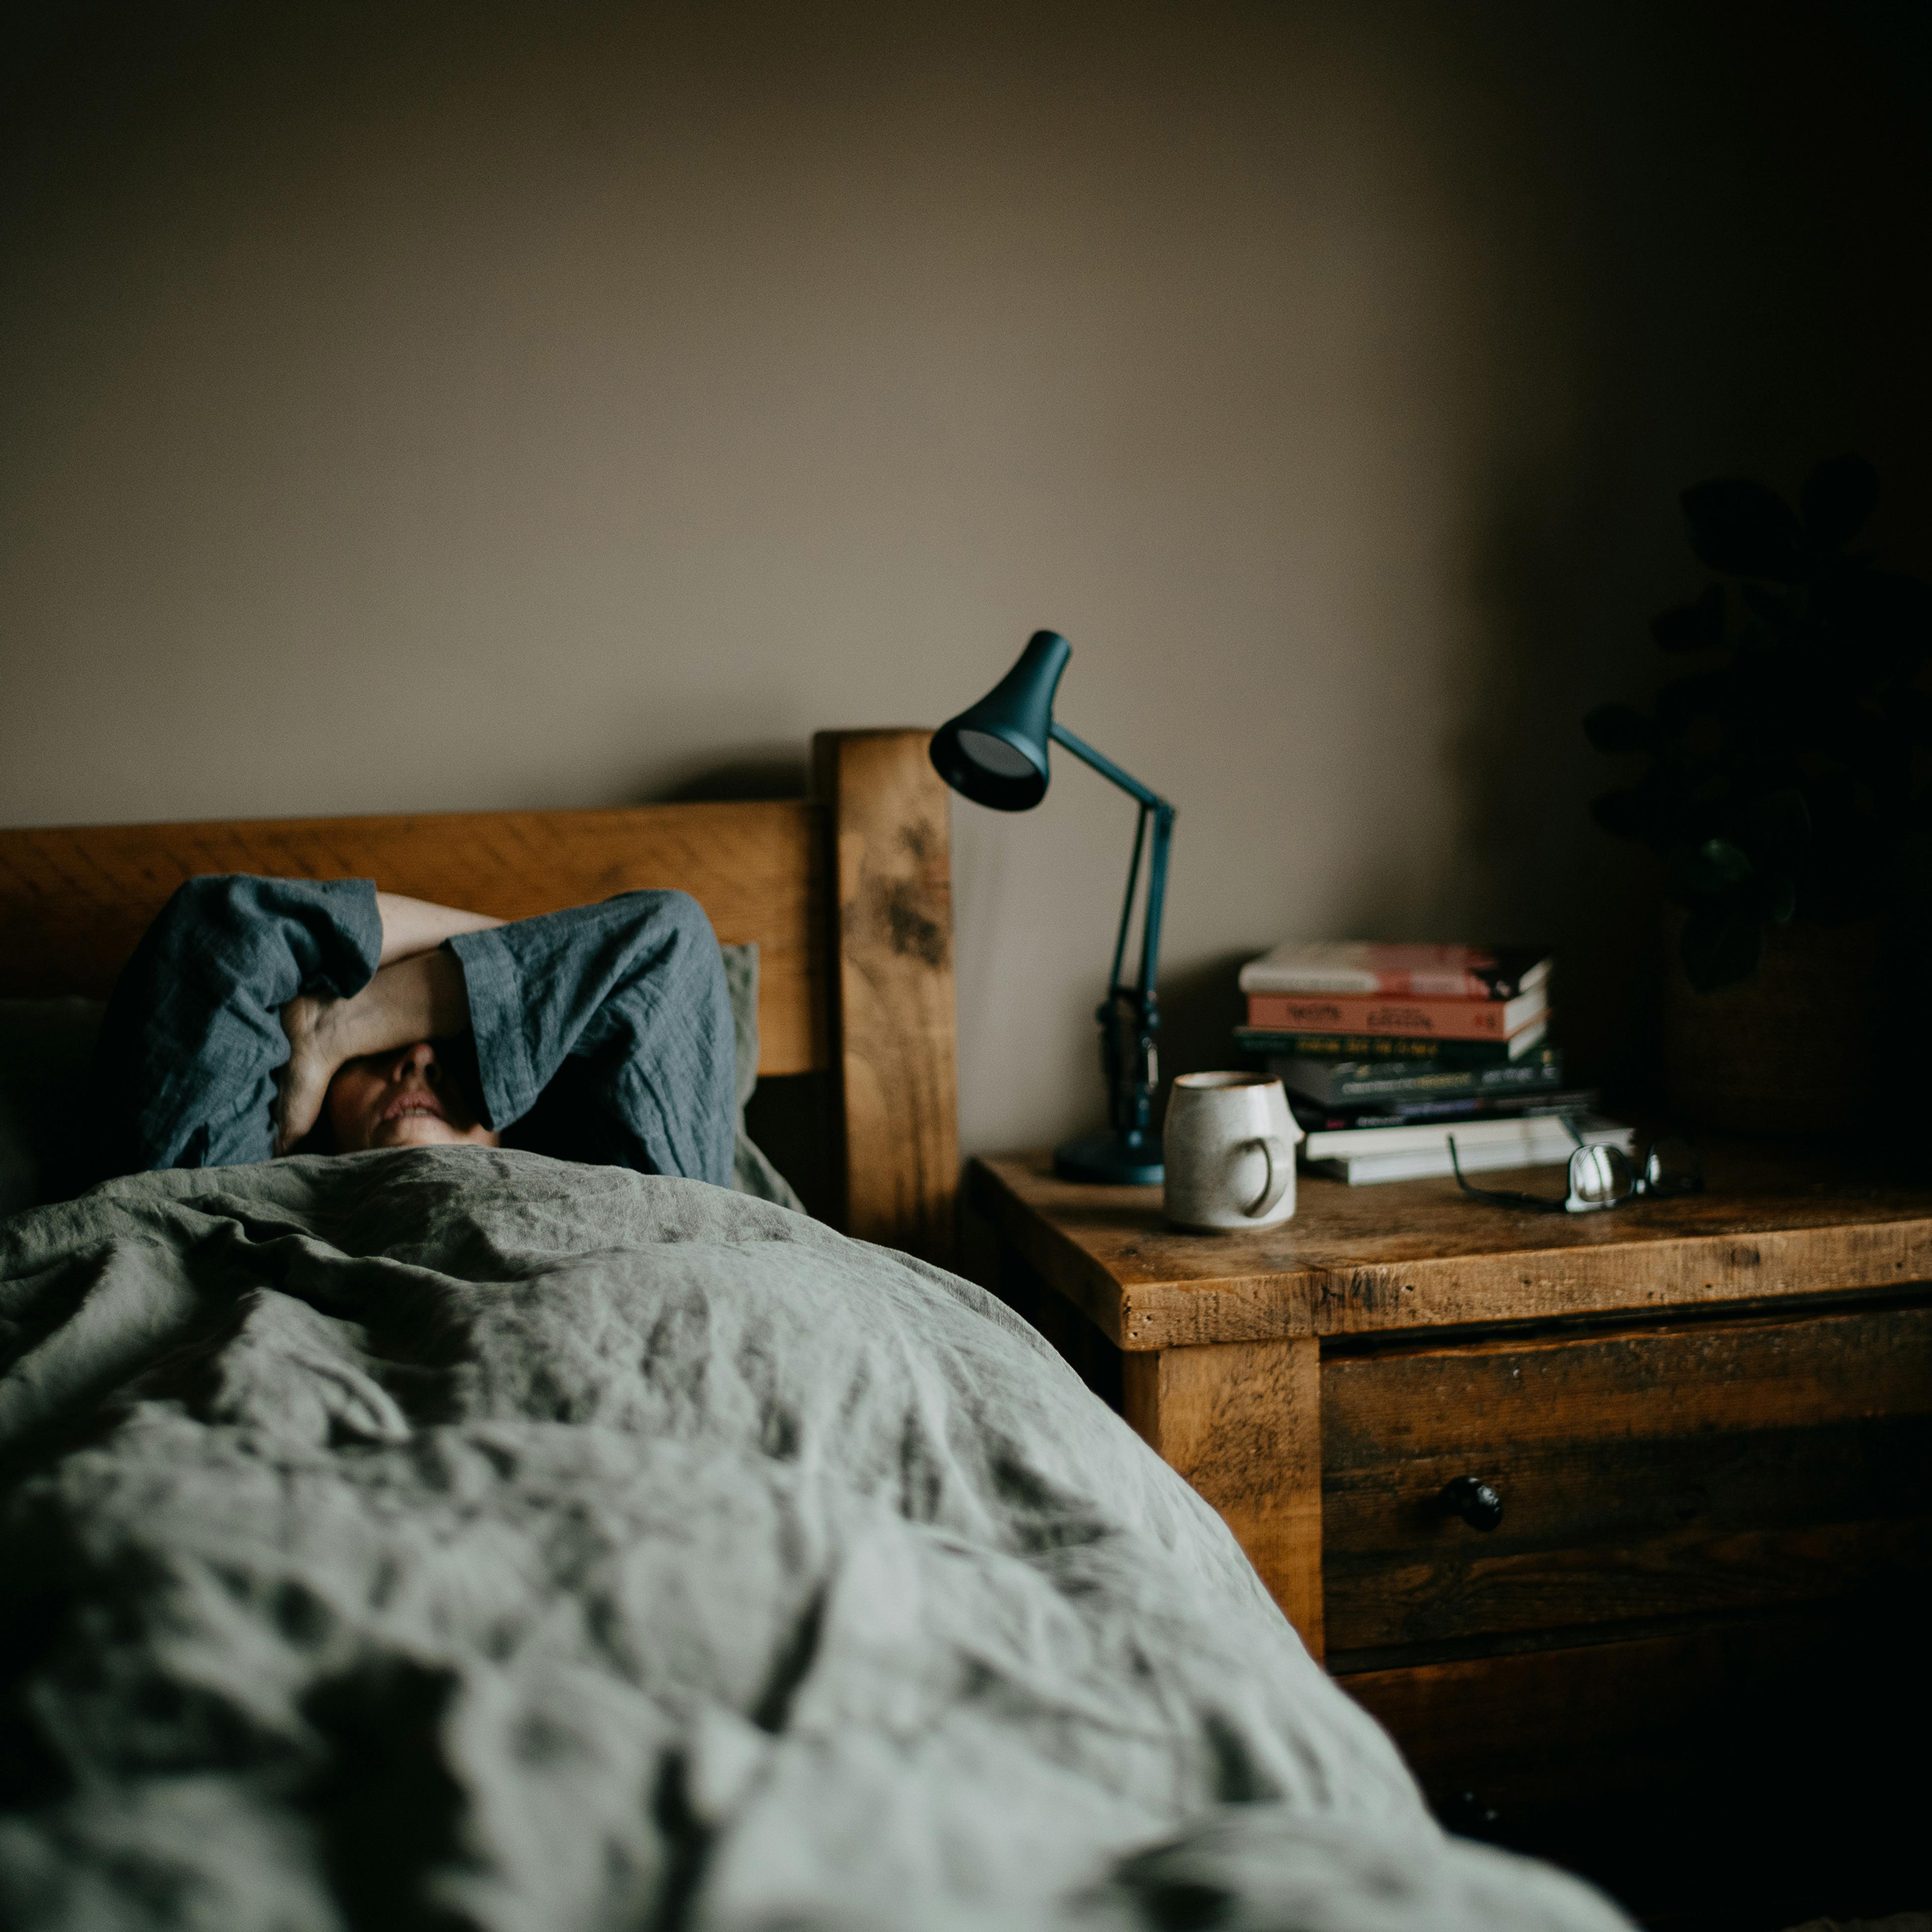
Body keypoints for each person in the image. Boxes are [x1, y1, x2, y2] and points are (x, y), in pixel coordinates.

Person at [94, 875, 736, 1186]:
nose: (422, 1057)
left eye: (463, 1047)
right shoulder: (227, 1186)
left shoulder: (629, 1195)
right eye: (379, 1049)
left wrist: (349, 1024)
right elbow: (222, 930)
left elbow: (665, 945)